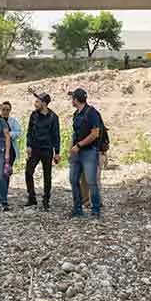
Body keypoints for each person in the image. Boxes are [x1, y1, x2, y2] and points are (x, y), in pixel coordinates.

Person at [68, 88, 102, 218]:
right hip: (76, 152)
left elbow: (95, 133)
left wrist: (79, 145)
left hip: (89, 152)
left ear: (76, 100)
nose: (71, 100)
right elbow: (75, 133)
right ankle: (77, 209)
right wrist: (72, 148)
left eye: (72, 98)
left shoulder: (92, 113)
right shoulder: (76, 114)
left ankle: (95, 210)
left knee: (91, 181)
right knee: (73, 179)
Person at [24, 91, 60, 210]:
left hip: (47, 149)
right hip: (34, 148)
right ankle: (32, 198)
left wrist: (57, 153)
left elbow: (56, 135)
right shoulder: (33, 115)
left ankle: (46, 200)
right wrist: (28, 146)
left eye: (38, 101)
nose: (35, 103)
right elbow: (29, 132)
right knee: (28, 172)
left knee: (47, 175)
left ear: (44, 103)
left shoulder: (53, 117)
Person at [0, 101, 21, 175]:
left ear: (10, 110)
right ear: (0, 109)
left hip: (11, 150)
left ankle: (5, 186)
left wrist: (9, 134)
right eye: (3, 109)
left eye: (7, 110)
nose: (5, 111)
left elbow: (19, 133)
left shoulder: (13, 121)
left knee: (7, 171)